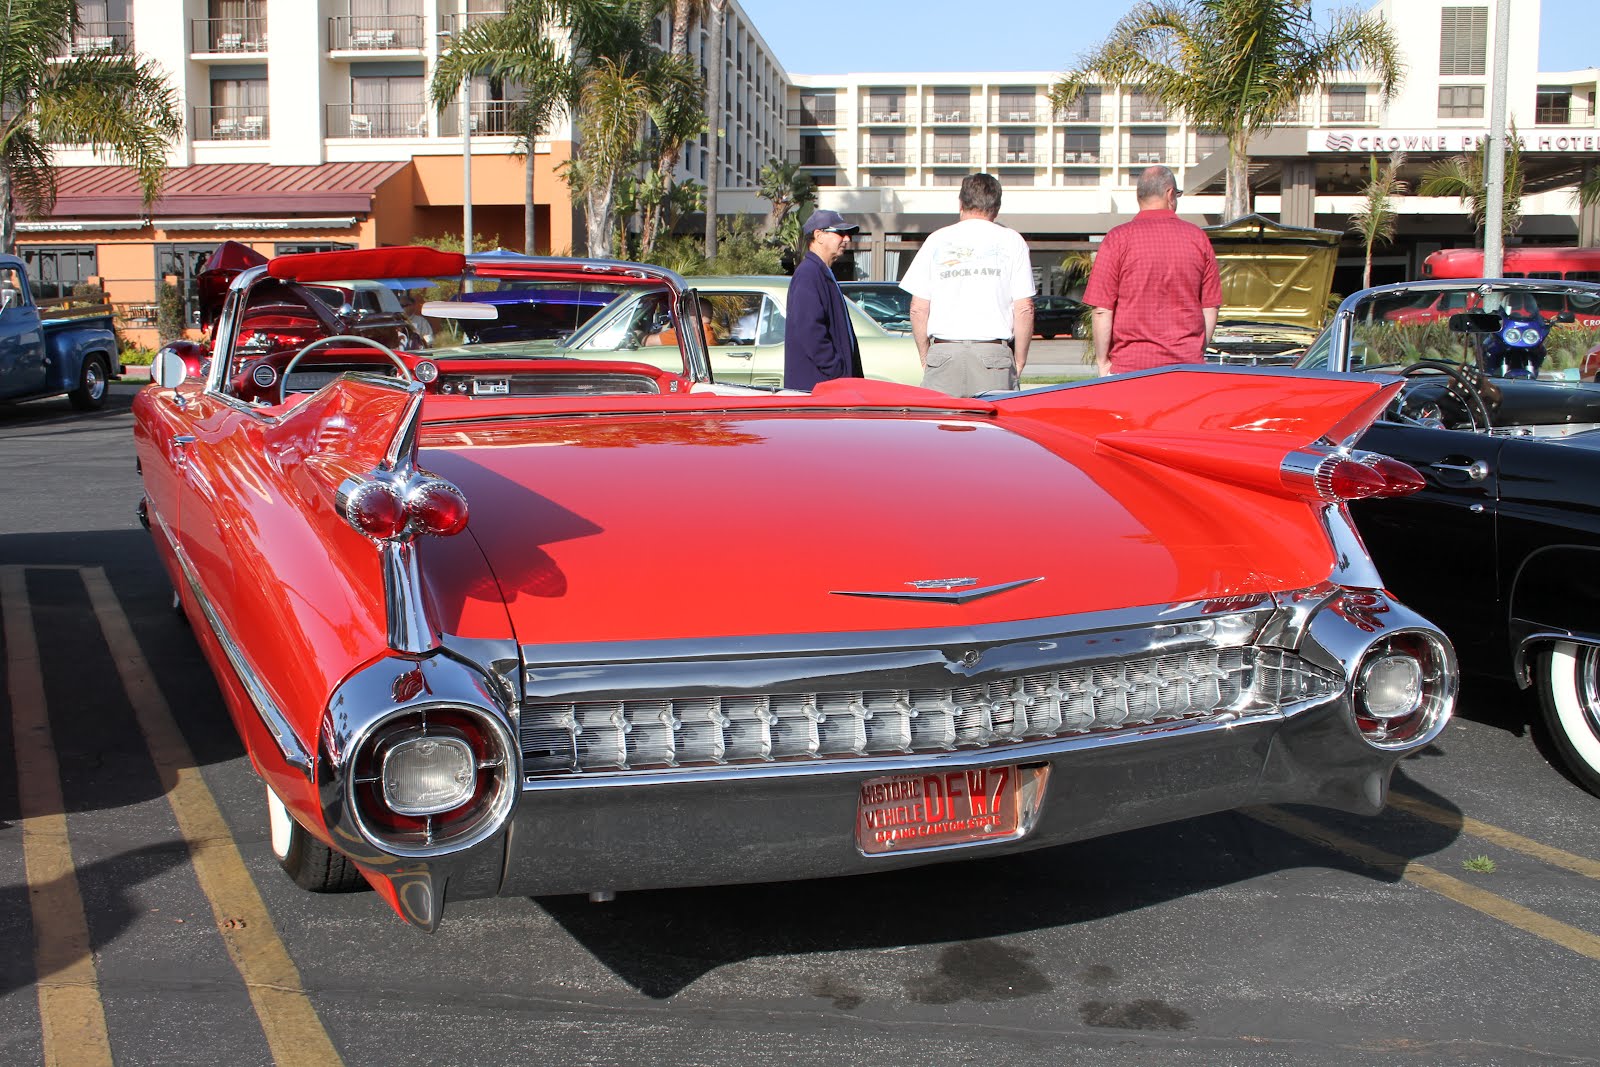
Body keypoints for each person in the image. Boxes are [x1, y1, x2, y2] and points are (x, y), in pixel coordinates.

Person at [898, 173, 1035, 396]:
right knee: (992, 429)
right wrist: (1018, 361)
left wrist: (926, 357)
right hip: (993, 353)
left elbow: (918, 307)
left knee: (939, 429)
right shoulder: (1012, 240)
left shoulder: (937, 240)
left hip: (944, 350)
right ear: (996, 208)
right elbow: (1024, 308)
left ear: (960, 203)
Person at [1084, 165, 1221, 376]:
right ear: (1169, 194)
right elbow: (1210, 307)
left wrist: (1103, 363)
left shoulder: (1118, 239)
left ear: (1139, 197)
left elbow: (1102, 309)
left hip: (1130, 368)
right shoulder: (1198, 238)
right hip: (1186, 368)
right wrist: (1197, 351)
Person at [784, 209, 863, 390]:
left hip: (829, 388)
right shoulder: (808, 274)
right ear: (818, 235)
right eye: (840, 233)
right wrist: (837, 371)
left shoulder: (821, 272)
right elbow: (811, 331)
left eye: (848, 234)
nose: (847, 239)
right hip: (818, 391)